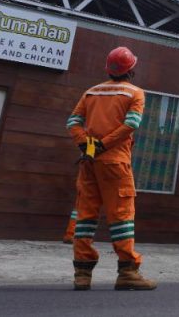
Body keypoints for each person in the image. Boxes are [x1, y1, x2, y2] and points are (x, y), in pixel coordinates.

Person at [66, 46, 156, 291]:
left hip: (90, 161)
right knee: (122, 215)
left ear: (108, 68)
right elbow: (131, 125)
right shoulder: (135, 93)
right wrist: (103, 145)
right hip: (115, 163)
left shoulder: (91, 92)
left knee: (86, 214)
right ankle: (127, 272)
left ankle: (82, 275)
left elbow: (72, 122)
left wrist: (89, 146)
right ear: (132, 70)